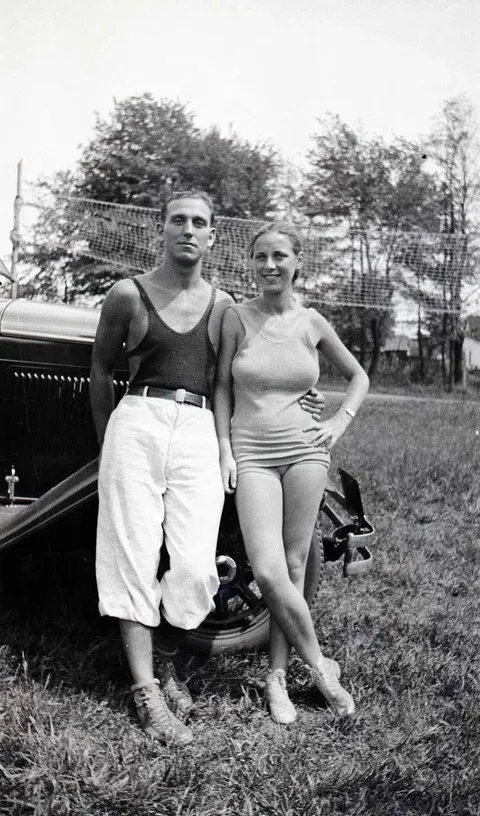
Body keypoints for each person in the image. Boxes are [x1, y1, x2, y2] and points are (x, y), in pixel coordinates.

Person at [90, 194, 325, 745]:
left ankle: (169, 653)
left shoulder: (225, 305)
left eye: (200, 223)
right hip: (139, 421)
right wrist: (108, 444)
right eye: (178, 220)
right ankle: (147, 690)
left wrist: (306, 397)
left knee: (197, 566)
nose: (188, 230)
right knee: (132, 553)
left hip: (198, 428)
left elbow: (255, 364)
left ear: (213, 237)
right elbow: (101, 371)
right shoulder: (128, 294)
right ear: (162, 229)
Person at [215, 221, 370, 725]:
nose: (269, 266)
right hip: (253, 453)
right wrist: (224, 448)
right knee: (267, 570)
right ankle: (323, 668)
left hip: (306, 451)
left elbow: (358, 377)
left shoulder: (312, 322)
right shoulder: (236, 317)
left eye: (279, 256)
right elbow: (220, 388)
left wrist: (338, 422)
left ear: (297, 261)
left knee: (295, 563)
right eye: (260, 257)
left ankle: (276, 678)